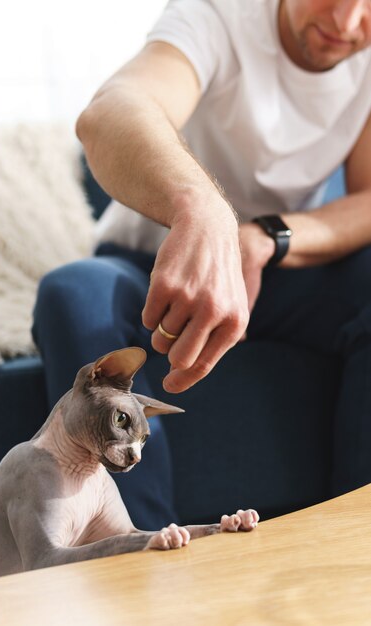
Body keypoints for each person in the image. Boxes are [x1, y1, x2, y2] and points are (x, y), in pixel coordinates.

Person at [33, 0, 371, 529]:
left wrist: (263, 238)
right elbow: (111, 112)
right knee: (73, 293)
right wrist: (203, 208)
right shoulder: (217, 13)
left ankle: (354, 548)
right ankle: (136, 562)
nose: (347, 24)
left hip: (271, 269)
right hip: (144, 264)